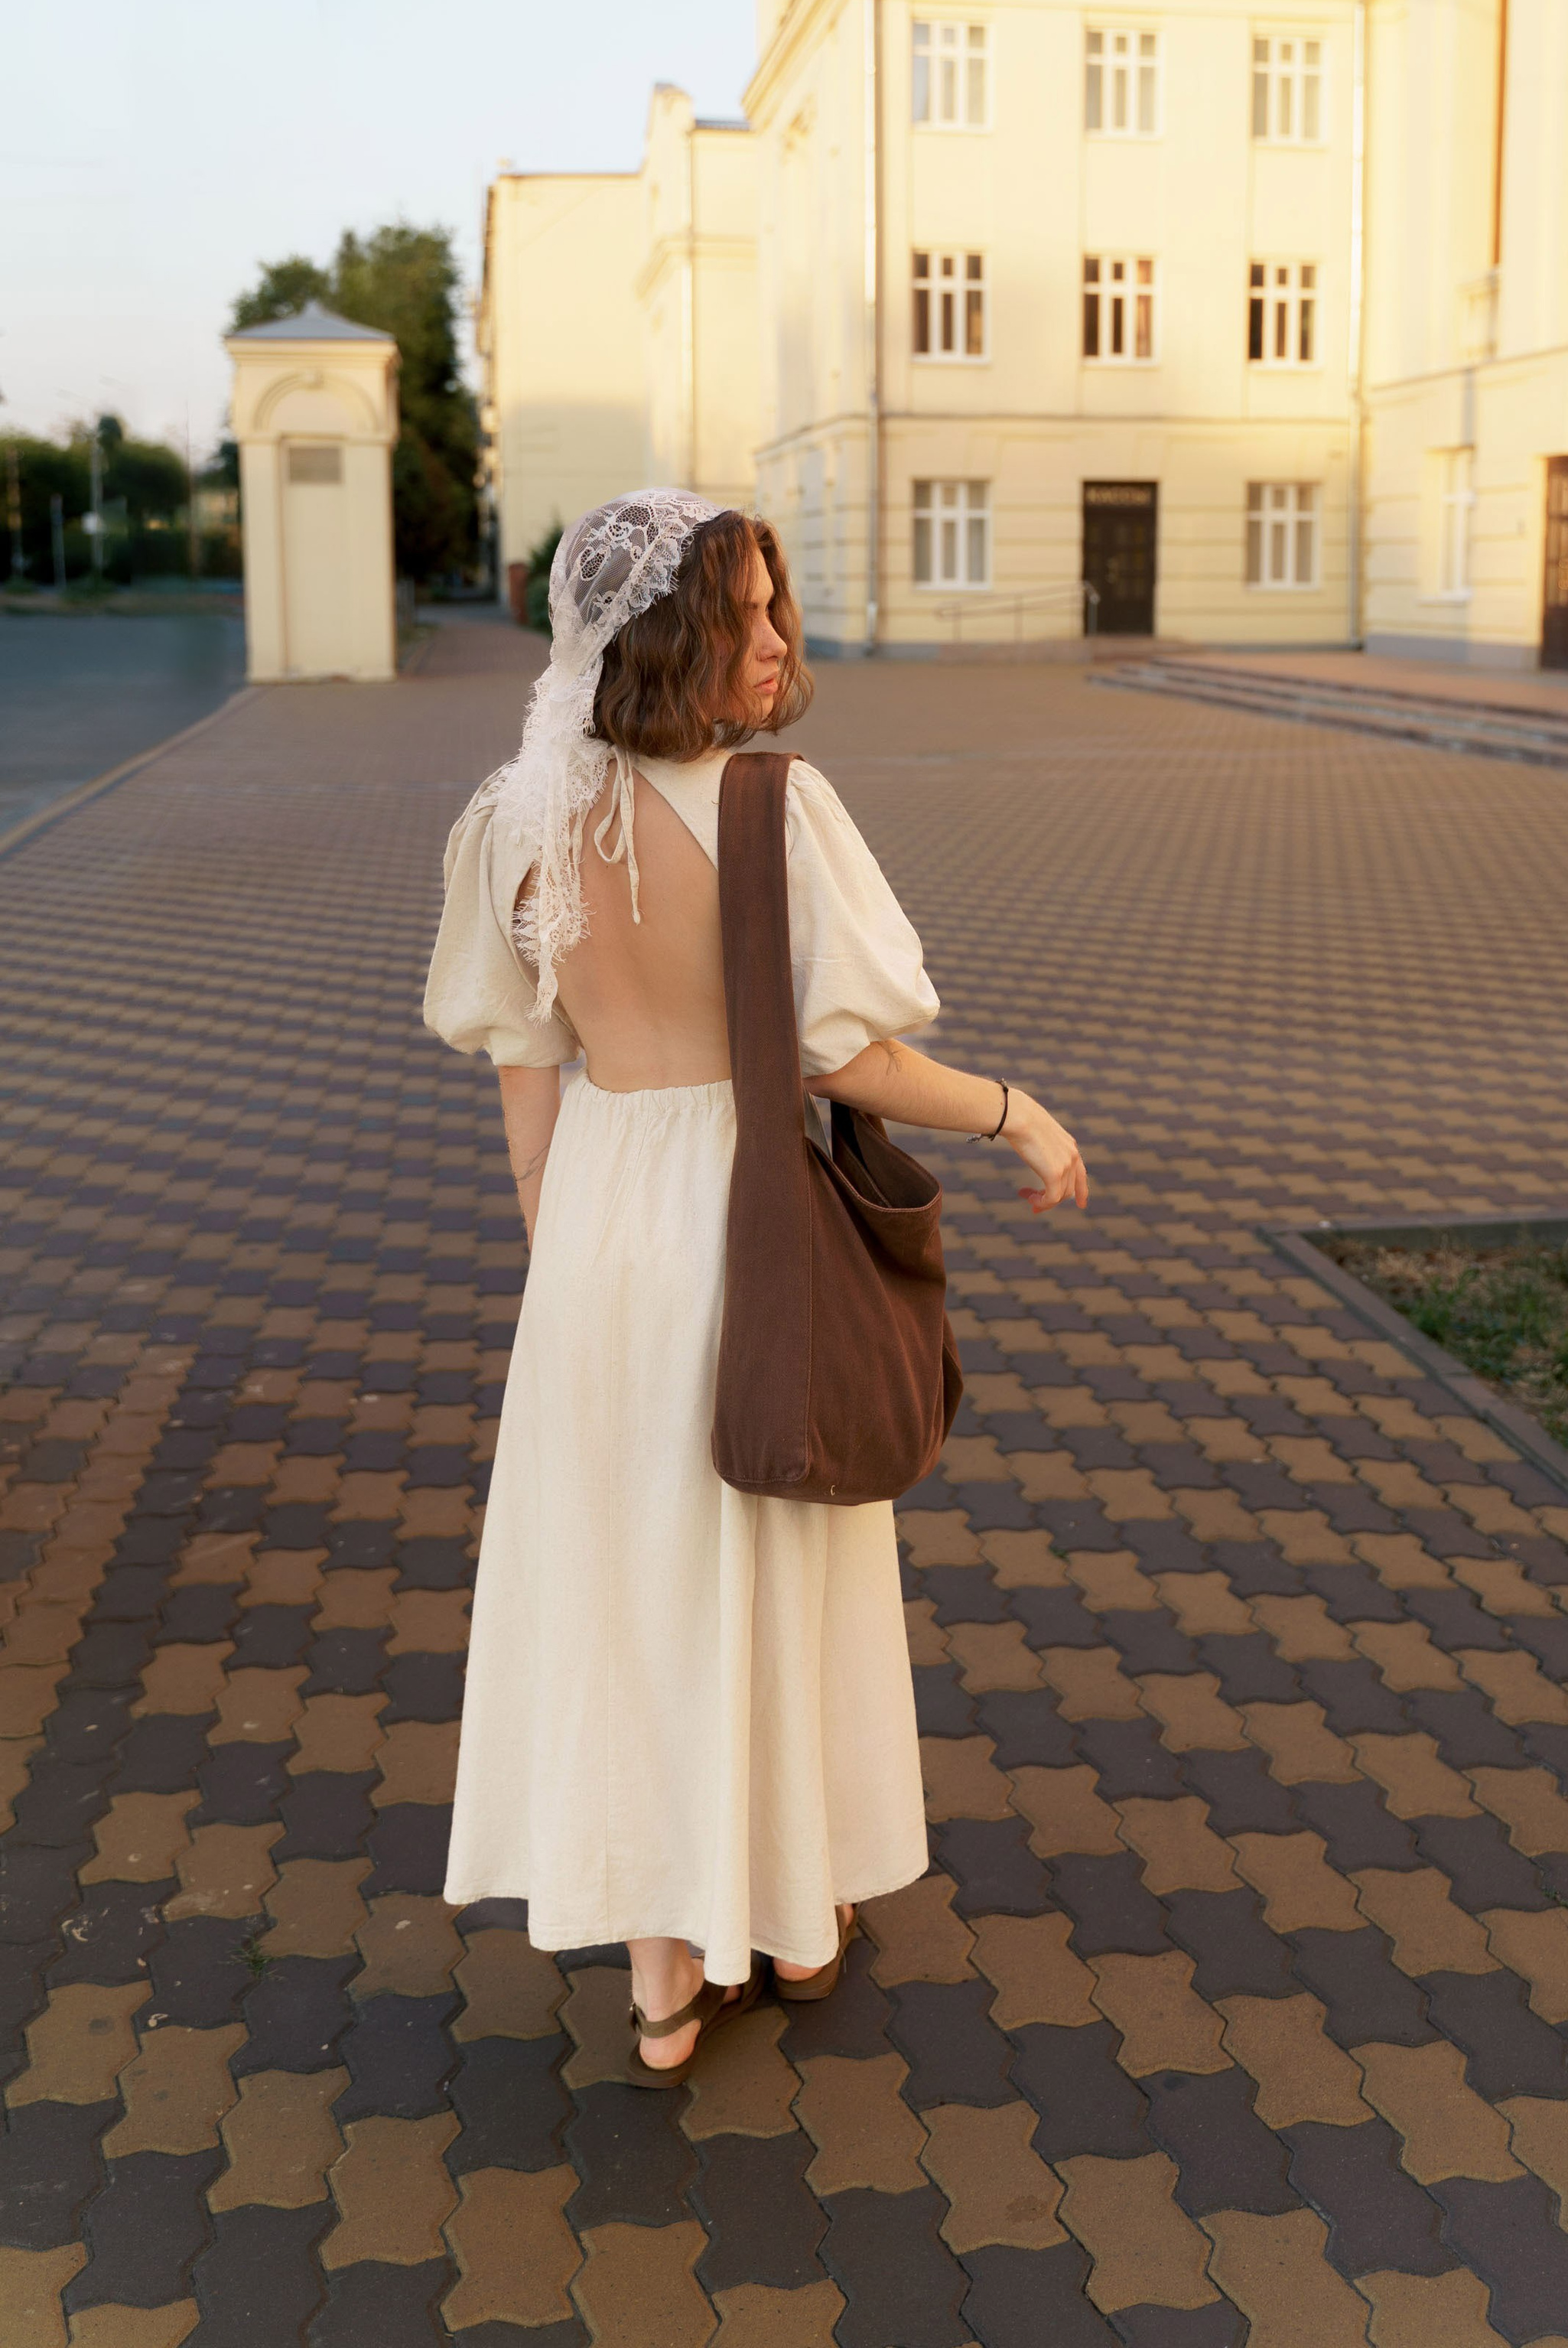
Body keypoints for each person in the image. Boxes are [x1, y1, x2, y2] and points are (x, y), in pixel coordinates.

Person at [422, 490, 1087, 2080]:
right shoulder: (774, 809)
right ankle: (792, 1924)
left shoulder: (512, 819)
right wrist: (1015, 1112)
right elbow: (845, 1051)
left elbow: (523, 1061)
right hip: (747, 1215)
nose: (781, 638)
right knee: (774, 1565)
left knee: (632, 1592)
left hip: (596, 1224)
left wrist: (564, 1243)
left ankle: (661, 1983)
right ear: (668, 633)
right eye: (750, 613)